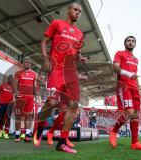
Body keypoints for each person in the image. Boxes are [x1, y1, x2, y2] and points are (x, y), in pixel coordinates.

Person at [33, 2, 86, 154]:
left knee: (74, 106)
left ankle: (62, 142)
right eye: (75, 9)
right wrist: (45, 59)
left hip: (70, 71)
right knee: (51, 102)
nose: (77, 12)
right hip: (56, 68)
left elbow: (76, 53)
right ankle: (40, 127)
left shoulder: (79, 33)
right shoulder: (57, 23)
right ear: (68, 10)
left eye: (79, 11)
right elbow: (43, 41)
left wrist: (80, 58)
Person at [109, 36, 141, 150]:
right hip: (124, 86)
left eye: (133, 41)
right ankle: (113, 131)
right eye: (129, 41)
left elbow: (135, 76)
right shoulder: (120, 53)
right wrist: (128, 74)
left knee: (135, 115)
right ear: (125, 43)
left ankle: (135, 143)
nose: (131, 43)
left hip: (134, 89)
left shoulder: (136, 59)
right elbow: (115, 67)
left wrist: (138, 89)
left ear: (135, 44)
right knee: (130, 113)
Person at [13, 57, 38, 142]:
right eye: (27, 62)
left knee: (29, 116)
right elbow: (15, 83)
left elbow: (34, 86)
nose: (28, 64)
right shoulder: (18, 73)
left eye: (30, 63)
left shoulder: (33, 74)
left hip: (30, 97)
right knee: (18, 117)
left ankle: (27, 134)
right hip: (21, 97)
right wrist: (16, 92)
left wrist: (36, 95)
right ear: (23, 63)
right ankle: (17, 135)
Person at [0, 75, 14, 139]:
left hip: (9, 105)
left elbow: (16, 95)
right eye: (9, 78)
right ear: (8, 79)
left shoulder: (14, 87)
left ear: (13, 79)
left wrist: (14, 103)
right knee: (1, 118)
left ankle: (6, 132)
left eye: (12, 79)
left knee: (8, 118)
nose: (10, 79)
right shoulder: (3, 85)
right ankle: (1, 131)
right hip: (2, 103)